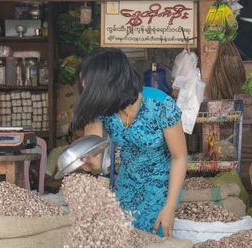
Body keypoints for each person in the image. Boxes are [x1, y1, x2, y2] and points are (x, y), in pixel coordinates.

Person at [74, 48, 187, 238]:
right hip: (127, 182)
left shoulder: (160, 105)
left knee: (153, 240)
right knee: (124, 239)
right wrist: (87, 159)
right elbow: (93, 153)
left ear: (108, 83)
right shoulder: (103, 110)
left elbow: (180, 157)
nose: (86, 90)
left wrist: (169, 207)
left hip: (161, 185)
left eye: (90, 85)